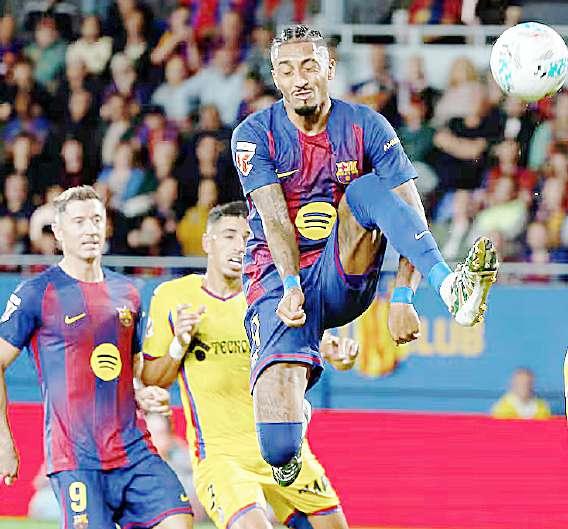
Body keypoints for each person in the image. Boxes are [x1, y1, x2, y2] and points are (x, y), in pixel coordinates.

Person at [230, 25, 499, 486]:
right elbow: (275, 220)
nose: (300, 79)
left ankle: (449, 286)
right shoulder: (254, 134)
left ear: (330, 69)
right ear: (275, 77)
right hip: (276, 282)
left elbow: (410, 211)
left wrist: (403, 297)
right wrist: (291, 287)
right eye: (287, 70)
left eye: (309, 66)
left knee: (367, 188)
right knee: (278, 449)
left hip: (343, 268)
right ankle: (296, 412)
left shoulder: (366, 126)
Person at [142, 201, 354, 529]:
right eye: (229, 235)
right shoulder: (173, 297)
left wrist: (334, 351)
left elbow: (309, 344)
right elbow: (152, 378)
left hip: (282, 448)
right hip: (221, 457)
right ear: (207, 242)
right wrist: (178, 344)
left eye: (247, 237)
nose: (239, 246)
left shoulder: (270, 296)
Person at [0, 185, 193, 528]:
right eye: (79, 222)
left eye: (97, 220)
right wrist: (4, 442)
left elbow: (133, 370)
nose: (90, 229)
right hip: (76, 459)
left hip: (134, 450)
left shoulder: (128, 292)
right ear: (58, 231)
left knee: (179, 521)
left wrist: (144, 390)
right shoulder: (36, 293)